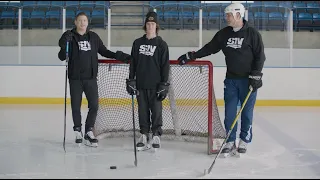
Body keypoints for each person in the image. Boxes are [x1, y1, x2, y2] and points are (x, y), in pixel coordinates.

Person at [177, 3, 266, 156]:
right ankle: (230, 140)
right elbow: (210, 48)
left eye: (229, 15)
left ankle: (244, 139)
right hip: (231, 80)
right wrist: (193, 55)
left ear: (238, 15)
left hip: (248, 81)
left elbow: (260, 56)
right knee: (230, 112)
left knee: (246, 113)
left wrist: (256, 74)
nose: (226, 18)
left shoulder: (252, 34)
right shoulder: (224, 34)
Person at [58, 12, 132, 147]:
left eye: (84, 20)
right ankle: (77, 130)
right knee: (76, 105)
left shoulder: (93, 37)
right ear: (75, 22)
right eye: (80, 20)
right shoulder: (69, 36)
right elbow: (62, 56)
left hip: (90, 78)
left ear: (87, 22)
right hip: (75, 78)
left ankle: (88, 130)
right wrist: (64, 44)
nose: (82, 23)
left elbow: (104, 51)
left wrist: (120, 56)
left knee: (94, 105)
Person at [126, 11, 170, 151]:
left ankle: (156, 134)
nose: (150, 26)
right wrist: (131, 79)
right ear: (145, 25)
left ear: (156, 26)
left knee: (156, 111)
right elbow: (132, 63)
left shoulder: (162, 44)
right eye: (148, 24)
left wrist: (164, 83)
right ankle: (144, 134)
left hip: (156, 85)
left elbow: (165, 66)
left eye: (153, 24)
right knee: (143, 111)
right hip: (141, 84)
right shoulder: (137, 43)